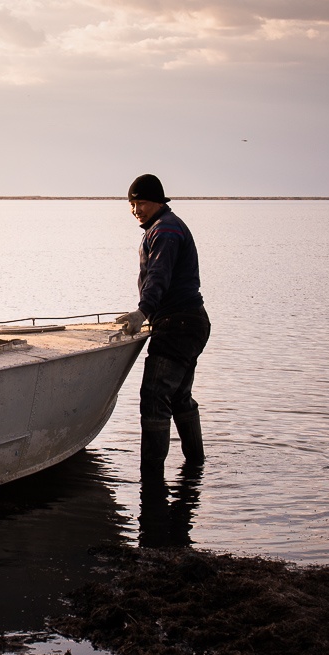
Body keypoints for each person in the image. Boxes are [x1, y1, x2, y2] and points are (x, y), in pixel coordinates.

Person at [122, 173, 210, 477]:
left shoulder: (166, 230)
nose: (136, 210)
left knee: (155, 397)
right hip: (189, 322)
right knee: (178, 397)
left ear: (159, 201)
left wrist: (141, 312)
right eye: (132, 204)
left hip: (179, 325)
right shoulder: (164, 227)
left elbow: (159, 275)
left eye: (141, 203)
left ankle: (152, 478)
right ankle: (196, 467)